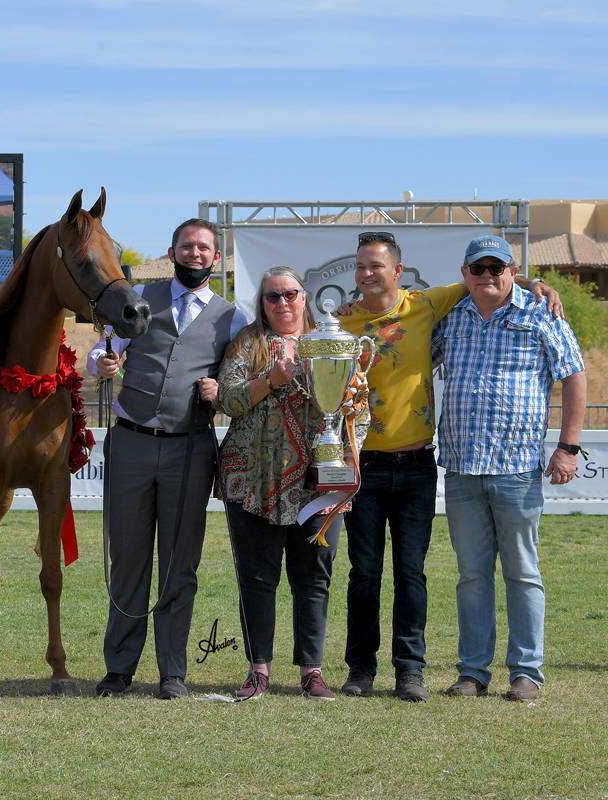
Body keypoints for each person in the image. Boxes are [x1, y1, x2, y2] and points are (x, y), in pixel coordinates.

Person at [337, 231, 562, 702]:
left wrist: (539, 282)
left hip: (420, 462)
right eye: (360, 266)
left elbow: (496, 279)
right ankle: (361, 670)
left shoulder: (428, 305)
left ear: (398, 271)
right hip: (362, 464)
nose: (366, 273)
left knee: (412, 573)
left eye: (376, 265)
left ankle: (410, 671)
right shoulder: (340, 324)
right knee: (363, 572)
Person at [88, 218, 247, 699]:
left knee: (180, 564)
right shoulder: (138, 298)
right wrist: (103, 361)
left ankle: (172, 672)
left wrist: (222, 391)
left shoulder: (231, 318)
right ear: (172, 251)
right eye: (186, 246)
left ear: (215, 258)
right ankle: (119, 668)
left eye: (203, 248)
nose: (195, 254)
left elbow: (239, 380)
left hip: (191, 447)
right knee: (129, 559)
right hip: (131, 441)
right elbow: (103, 348)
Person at [432, 235, 586, 702]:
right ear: (465, 273)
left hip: (517, 467)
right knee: (472, 576)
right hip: (461, 468)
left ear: (511, 271)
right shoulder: (450, 318)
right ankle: (473, 673)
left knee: (522, 572)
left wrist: (569, 448)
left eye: (497, 268)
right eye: (478, 268)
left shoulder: (542, 313)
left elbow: (574, 377)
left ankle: (526, 673)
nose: (488, 276)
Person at [217, 267, 366, 701]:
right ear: (261, 303)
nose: (282, 303)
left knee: (314, 576)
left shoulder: (332, 342)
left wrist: (352, 402)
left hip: (318, 479)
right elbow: (226, 398)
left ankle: (312, 671)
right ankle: (258, 669)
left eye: (290, 294)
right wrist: (271, 380)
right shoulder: (248, 343)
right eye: (272, 297)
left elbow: (355, 406)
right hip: (253, 480)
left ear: (305, 297)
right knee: (257, 577)